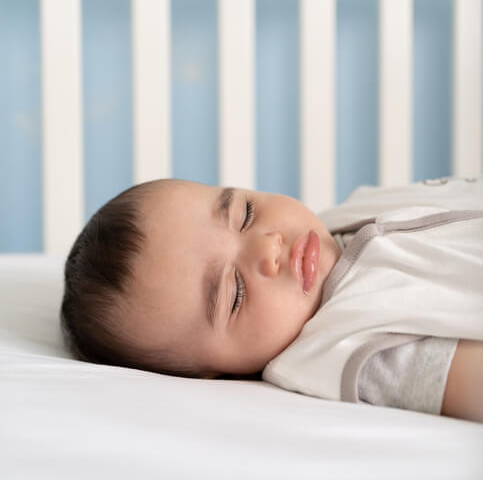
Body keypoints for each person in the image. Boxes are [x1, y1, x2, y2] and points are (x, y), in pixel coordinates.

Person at [60, 176, 483, 422]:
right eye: (235, 293)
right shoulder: (356, 350)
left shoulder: (353, 211)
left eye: (244, 214)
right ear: (220, 375)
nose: (267, 248)